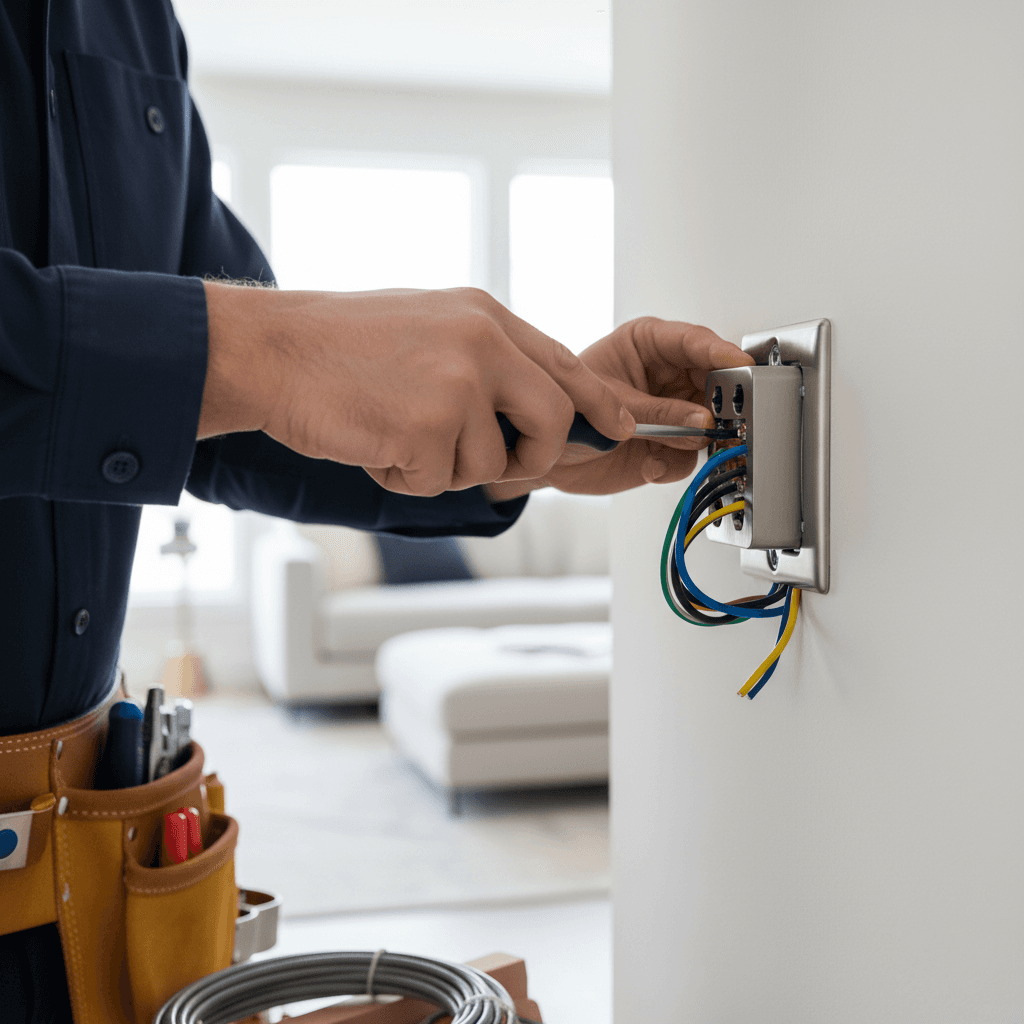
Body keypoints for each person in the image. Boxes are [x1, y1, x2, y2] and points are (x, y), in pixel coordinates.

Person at [0, 1, 753, 1020]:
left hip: (87, 880)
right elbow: (234, 359)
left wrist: (535, 431)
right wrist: (268, 347)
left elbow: (222, 416)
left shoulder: (132, 21)